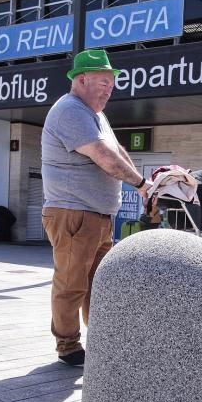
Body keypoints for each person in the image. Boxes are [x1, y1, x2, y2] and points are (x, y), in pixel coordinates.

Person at [41, 49, 152, 367]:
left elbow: (117, 151)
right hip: (73, 212)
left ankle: (100, 338)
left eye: (112, 83)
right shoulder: (70, 110)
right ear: (81, 80)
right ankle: (68, 345)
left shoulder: (96, 115)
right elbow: (104, 157)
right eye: (103, 81)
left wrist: (146, 185)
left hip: (98, 215)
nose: (109, 88)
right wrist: (141, 186)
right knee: (72, 282)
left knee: (99, 284)